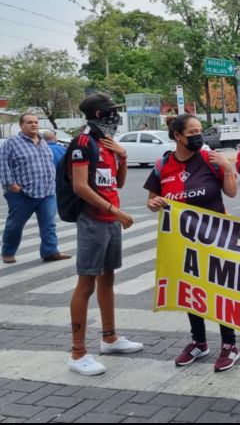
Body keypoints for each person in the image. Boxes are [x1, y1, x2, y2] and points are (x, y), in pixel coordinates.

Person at [145, 114, 240, 372]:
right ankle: (199, 342)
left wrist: (228, 167)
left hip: (216, 239)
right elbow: (153, 200)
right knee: (190, 292)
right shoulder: (163, 164)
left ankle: (230, 345)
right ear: (177, 136)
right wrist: (154, 203)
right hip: (182, 242)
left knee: (221, 291)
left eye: (200, 130)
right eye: (193, 131)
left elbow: (231, 192)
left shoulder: (210, 160)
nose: (199, 135)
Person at [67, 93, 143, 376]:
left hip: (110, 218)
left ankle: (109, 337)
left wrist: (122, 156)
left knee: (107, 278)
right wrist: (116, 211)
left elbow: (118, 183)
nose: (116, 116)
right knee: (86, 283)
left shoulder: (107, 144)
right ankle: (77, 352)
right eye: (112, 112)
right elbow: (80, 187)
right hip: (93, 220)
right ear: (99, 115)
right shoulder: (84, 142)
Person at [0, 114, 70, 264]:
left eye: (36, 122)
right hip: (22, 193)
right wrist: (10, 184)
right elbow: (3, 164)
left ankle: (50, 252)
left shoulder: (43, 142)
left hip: (47, 191)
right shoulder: (11, 143)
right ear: (21, 125)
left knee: (49, 223)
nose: (33, 125)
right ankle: (8, 252)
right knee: (15, 224)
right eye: (29, 122)